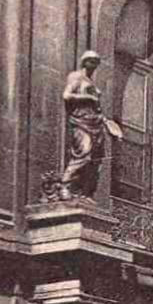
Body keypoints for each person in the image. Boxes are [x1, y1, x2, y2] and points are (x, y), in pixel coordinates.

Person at [59, 50, 118, 200]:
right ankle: (65, 185)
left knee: (95, 160)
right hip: (81, 121)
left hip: (96, 122)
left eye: (96, 63)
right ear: (85, 62)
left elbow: (97, 108)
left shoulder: (91, 81)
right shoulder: (76, 76)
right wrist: (89, 97)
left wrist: (108, 124)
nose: (94, 66)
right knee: (84, 153)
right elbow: (66, 95)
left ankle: (85, 193)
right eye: (92, 62)